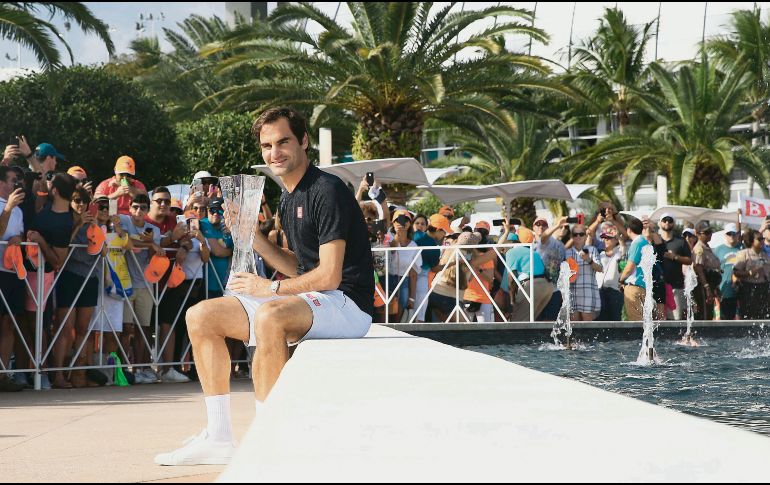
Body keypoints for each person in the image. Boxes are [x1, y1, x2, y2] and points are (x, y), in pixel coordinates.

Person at [155, 107, 374, 466]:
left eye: (284, 141)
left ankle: (266, 440)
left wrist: (269, 289)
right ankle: (220, 436)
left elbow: (330, 276)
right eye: (267, 145)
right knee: (202, 315)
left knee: (270, 315)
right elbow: (301, 267)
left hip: (348, 304)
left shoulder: (327, 190)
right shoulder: (288, 197)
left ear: (304, 141)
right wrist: (251, 236)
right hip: (313, 297)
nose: (275, 152)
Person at [52, 187, 103, 388]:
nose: (80, 204)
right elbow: (63, 246)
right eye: (76, 200)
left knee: (83, 328)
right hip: (69, 276)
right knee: (65, 328)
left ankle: (78, 374)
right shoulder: (64, 220)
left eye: (84, 200)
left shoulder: (93, 222)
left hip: (90, 277)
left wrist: (97, 228)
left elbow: (101, 249)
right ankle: (58, 375)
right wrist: (77, 225)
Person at [119, 193, 163, 383]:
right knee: (125, 328)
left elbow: (157, 251)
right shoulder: (123, 220)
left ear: (147, 210)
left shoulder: (154, 229)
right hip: (125, 282)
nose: (138, 211)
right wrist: (148, 242)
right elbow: (124, 240)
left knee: (143, 329)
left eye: (143, 208)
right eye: (135, 207)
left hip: (146, 284)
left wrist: (151, 243)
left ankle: (141, 368)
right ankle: (122, 370)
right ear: (129, 208)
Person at [0, 167, 27, 391]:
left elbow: (15, 234)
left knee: (9, 323)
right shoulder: (10, 208)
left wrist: (19, 238)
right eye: (12, 180)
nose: (16, 184)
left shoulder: (19, 211)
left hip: (12, 271)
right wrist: (7, 208)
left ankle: (3, 374)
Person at [502, 227, 553, 322]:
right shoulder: (532, 252)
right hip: (548, 286)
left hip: (533, 286)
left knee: (518, 322)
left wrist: (512, 300)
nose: (502, 248)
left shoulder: (511, 252)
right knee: (531, 320)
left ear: (509, 242)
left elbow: (511, 279)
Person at [429, 231, 480, 322]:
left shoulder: (448, 252)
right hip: (451, 299)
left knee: (439, 331)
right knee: (466, 329)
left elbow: (435, 269)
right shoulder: (469, 260)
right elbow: (493, 253)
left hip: (434, 294)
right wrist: (506, 232)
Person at [412, 214, 448, 322]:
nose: (420, 226)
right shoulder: (430, 243)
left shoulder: (413, 236)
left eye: (423, 224)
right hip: (421, 276)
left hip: (411, 276)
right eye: (417, 223)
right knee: (420, 307)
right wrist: (452, 263)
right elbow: (434, 268)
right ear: (438, 230)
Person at [531, 215, 567, 321]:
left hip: (555, 290)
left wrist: (563, 291)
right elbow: (544, 237)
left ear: (547, 227)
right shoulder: (540, 242)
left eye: (544, 224)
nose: (540, 227)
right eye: (537, 224)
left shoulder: (560, 245)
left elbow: (563, 269)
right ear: (533, 227)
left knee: (552, 323)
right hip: (539, 289)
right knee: (538, 321)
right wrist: (557, 225)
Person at [658, 213, 693, 320]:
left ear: (673, 223)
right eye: (664, 220)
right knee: (658, 320)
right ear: (660, 223)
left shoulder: (680, 242)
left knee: (676, 319)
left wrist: (674, 257)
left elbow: (689, 260)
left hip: (675, 286)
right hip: (657, 286)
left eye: (670, 220)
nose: (667, 222)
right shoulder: (655, 241)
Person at [565, 223, 602, 321]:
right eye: (575, 234)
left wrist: (588, 260)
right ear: (571, 236)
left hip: (587, 291)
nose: (578, 236)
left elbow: (600, 268)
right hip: (572, 291)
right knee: (573, 324)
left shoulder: (592, 250)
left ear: (585, 235)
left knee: (587, 323)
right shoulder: (567, 252)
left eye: (581, 234)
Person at [732, 229, 770, 320]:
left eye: (763, 239)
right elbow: (736, 272)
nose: (762, 241)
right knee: (748, 316)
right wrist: (749, 273)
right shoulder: (744, 254)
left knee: (763, 316)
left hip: (763, 288)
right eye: (759, 239)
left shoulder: (765, 255)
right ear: (751, 241)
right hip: (749, 289)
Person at [619, 218, 649, 322]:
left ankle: (639, 339)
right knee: (643, 321)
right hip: (644, 287)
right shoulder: (646, 242)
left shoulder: (637, 243)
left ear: (628, 230)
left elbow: (630, 267)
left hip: (634, 287)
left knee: (635, 321)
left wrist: (621, 279)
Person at [691, 221, 721, 321]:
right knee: (704, 313)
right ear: (698, 234)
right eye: (706, 233)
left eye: (710, 232)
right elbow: (698, 268)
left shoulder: (706, 247)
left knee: (709, 312)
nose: (710, 235)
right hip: (703, 285)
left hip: (711, 283)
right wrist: (707, 287)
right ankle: (701, 334)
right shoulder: (699, 248)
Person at [596, 224, 625, 322]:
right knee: (600, 320)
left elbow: (624, 250)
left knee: (615, 319)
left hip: (614, 291)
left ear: (615, 240)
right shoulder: (600, 254)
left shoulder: (619, 252)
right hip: (600, 291)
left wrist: (619, 238)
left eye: (608, 238)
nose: (605, 240)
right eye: (604, 238)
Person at [713, 222, 742, 320]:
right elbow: (714, 269)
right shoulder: (718, 249)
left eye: (733, 233)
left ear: (737, 234)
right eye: (729, 233)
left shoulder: (742, 247)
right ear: (725, 235)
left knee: (740, 320)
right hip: (723, 289)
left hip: (740, 291)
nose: (731, 236)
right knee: (724, 319)